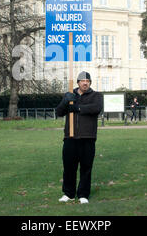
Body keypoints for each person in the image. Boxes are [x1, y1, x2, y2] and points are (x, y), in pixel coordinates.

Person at [56, 71, 103, 204]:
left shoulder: (96, 96)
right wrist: (66, 101)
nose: (85, 83)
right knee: (69, 167)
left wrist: (78, 108)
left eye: (87, 81)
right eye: (82, 81)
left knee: (86, 167)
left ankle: (83, 194)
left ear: (90, 83)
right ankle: (69, 193)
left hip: (88, 137)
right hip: (70, 138)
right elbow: (59, 112)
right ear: (78, 82)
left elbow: (96, 108)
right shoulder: (70, 95)